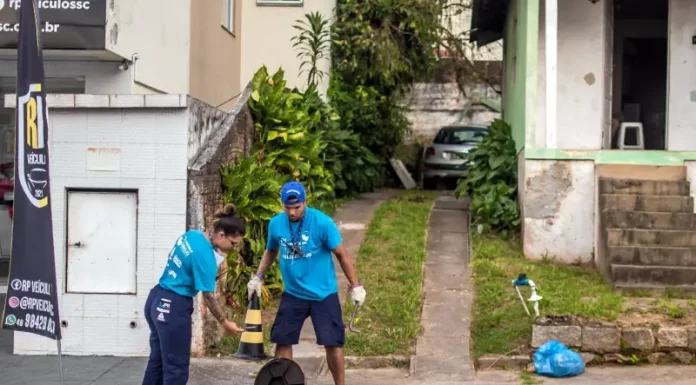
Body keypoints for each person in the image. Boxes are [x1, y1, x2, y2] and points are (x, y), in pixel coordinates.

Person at [247, 181, 367, 385]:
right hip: (293, 293)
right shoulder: (276, 223)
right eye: (288, 208)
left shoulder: (322, 223)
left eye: (297, 207)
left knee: (333, 343)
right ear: (282, 204)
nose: (292, 212)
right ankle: (286, 382)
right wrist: (258, 277)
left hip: (323, 293)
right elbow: (271, 251)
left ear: (305, 202)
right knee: (283, 339)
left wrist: (356, 285)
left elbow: (341, 254)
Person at [142, 204, 246, 385]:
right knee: (176, 368)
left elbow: (171, 256)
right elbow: (208, 296)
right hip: (173, 307)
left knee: (158, 361)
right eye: (233, 243)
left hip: (156, 298)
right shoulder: (205, 257)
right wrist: (225, 322)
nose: (233, 248)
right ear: (221, 235)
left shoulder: (191, 235)